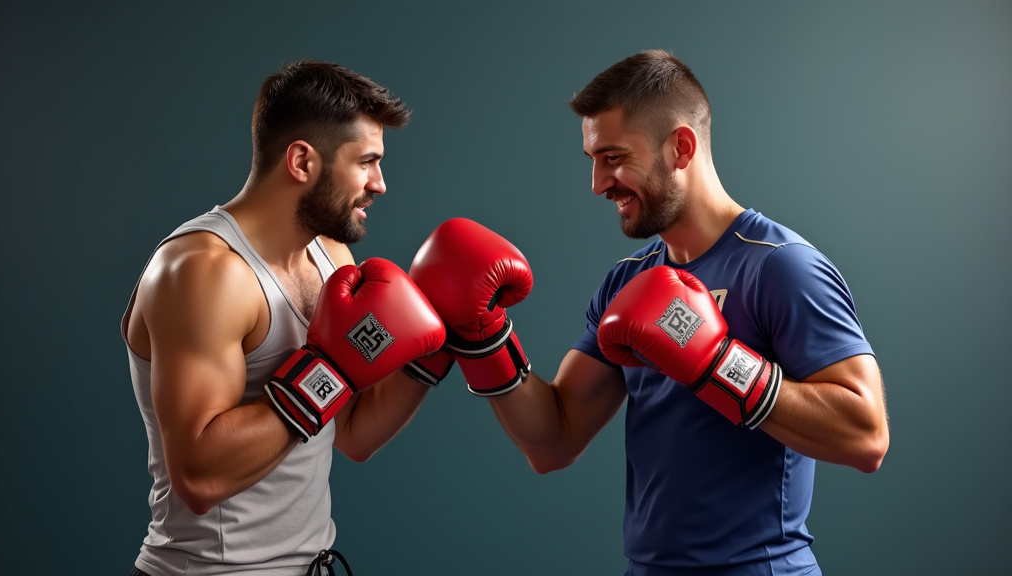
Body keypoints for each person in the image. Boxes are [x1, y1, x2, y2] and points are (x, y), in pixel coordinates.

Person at [407, 50, 890, 576]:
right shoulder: (627, 280)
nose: (597, 183)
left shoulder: (779, 266)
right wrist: (486, 343)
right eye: (592, 159)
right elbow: (555, 439)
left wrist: (716, 362)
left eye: (613, 157)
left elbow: (866, 437)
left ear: (680, 147)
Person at [121, 60, 447, 576]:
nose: (380, 183)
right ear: (302, 161)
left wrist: (434, 351)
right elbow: (198, 477)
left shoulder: (332, 257)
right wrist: (331, 368)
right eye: (366, 161)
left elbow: (353, 433)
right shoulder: (205, 273)